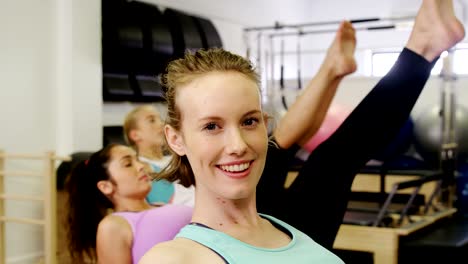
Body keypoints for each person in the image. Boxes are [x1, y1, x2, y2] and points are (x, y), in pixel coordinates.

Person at [139, 0, 465, 262]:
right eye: (212, 126)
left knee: (302, 152)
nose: (237, 144)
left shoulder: (286, 230)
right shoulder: (175, 258)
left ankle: (343, 68)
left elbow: (278, 141)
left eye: (250, 121)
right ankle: (417, 50)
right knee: (333, 159)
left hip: (266, 220)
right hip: (231, 220)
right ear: (175, 139)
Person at [65, 143, 193, 264]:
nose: (141, 166)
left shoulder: (164, 205)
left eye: (138, 160)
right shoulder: (114, 225)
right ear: (106, 187)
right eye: (128, 164)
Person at [123, 104, 195, 206]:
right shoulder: (139, 169)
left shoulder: (178, 157)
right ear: (135, 135)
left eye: (160, 119)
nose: (162, 124)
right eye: (152, 120)